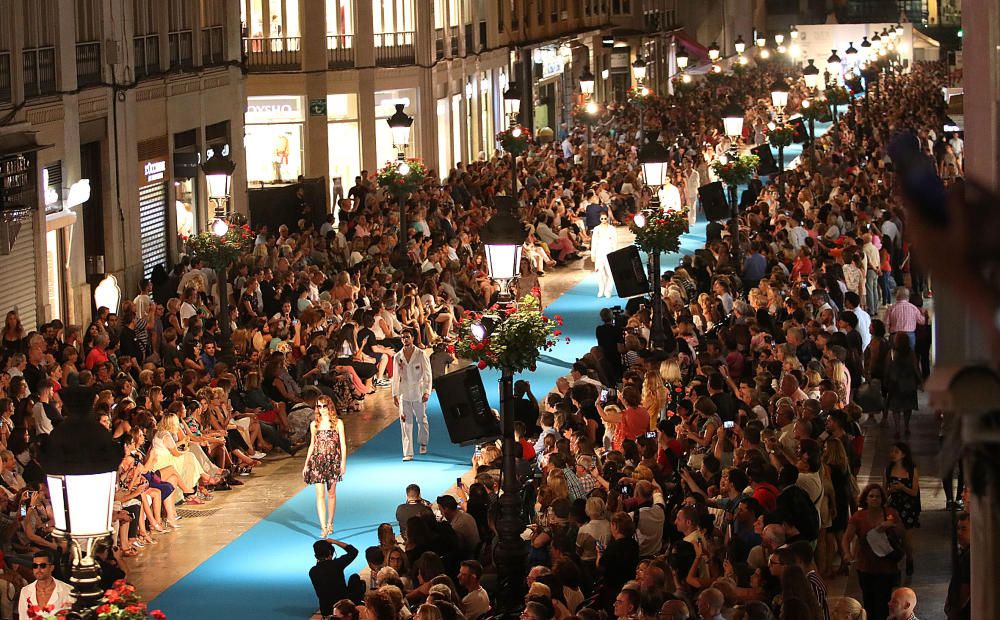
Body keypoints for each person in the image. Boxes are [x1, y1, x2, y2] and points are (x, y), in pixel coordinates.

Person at [842, 484, 903, 620]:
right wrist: (847, 553)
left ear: (882, 498)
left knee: (883, 604)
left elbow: (901, 533)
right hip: (866, 567)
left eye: (878, 496)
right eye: (871, 496)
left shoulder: (890, 514)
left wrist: (891, 525)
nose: (875, 499)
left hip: (886, 568)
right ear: (866, 498)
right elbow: (847, 538)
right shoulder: (858, 517)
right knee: (869, 603)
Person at [303, 395, 347, 537]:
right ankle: (323, 527)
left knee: (331, 494)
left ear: (329, 406)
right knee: (319, 495)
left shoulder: (337, 423)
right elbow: (312, 445)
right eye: (319, 406)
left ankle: (330, 522)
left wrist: (343, 463)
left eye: (324, 406)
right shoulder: (314, 424)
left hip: (333, 461)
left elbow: (343, 444)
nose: (322, 409)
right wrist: (306, 464)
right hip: (317, 462)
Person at [391, 329, 432, 461]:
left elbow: (427, 374)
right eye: (403, 338)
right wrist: (395, 394)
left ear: (413, 338)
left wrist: (427, 391)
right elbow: (395, 377)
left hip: (419, 391)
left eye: (407, 337)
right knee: (405, 423)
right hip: (404, 393)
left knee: (421, 419)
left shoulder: (420, 354)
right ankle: (408, 452)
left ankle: (423, 442)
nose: (405, 340)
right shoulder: (398, 357)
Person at [310, 538, 360, 619]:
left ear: (316, 556)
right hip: (343, 609)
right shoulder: (337, 564)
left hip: (326, 611)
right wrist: (335, 542)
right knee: (355, 578)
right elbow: (354, 551)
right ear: (330, 552)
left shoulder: (312, 571)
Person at [18, 550, 74, 619]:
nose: (38, 570)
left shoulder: (68, 591)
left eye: (42, 565)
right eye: (35, 566)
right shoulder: (25, 591)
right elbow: (23, 618)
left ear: (52, 568)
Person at [591, 212, 617, 298]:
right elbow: (593, 242)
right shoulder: (596, 229)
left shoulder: (612, 229)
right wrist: (593, 254)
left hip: (609, 252)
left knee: (610, 273)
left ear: (608, 218)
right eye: (602, 219)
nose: (603, 220)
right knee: (599, 272)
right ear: (599, 219)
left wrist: (615, 253)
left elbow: (614, 242)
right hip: (599, 253)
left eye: (605, 218)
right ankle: (601, 289)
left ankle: (608, 290)